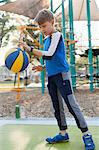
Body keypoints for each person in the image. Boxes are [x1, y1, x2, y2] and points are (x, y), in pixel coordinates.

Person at [22, 9, 95, 150]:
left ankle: (86, 134)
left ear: (52, 22)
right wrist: (43, 67)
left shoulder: (57, 36)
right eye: (40, 27)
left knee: (71, 105)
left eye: (44, 26)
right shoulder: (46, 39)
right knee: (57, 107)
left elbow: (49, 54)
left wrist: (29, 49)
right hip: (52, 77)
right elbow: (51, 58)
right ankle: (63, 133)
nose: (42, 29)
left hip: (62, 76)